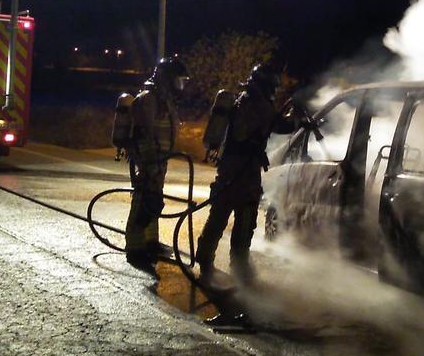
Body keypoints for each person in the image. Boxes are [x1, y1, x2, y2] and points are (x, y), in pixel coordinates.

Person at [195, 62, 299, 283]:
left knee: (220, 214)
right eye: (275, 82)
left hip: (231, 167)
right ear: (266, 81)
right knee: (245, 217)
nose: (276, 87)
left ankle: (204, 258)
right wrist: (297, 116)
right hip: (244, 170)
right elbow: (281, 126)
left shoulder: (244, 99)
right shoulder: (258, 104)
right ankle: (240, 268)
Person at [123, 55, 187, 266]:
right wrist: (150, 164)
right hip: (149, 161)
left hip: (159, 160)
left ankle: (150, 242)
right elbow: (144, 134)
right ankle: (134, 249)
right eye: (177, 80)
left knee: (153, 201)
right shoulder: (148, 99)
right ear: (166, 79)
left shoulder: (162, 100)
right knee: (142, 202)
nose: (180, 85)